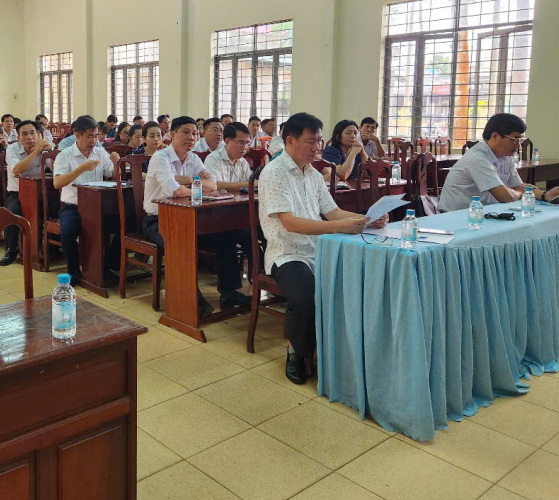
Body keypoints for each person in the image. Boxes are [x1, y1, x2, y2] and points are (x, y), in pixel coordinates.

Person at [260, 112, 387, 384]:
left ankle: (341, 351)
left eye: (319, 140)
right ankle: (296, 353)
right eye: (311, 141)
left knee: (357, 281)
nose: (317, 147)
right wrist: (340, 227)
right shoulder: (274, 173)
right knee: (305, 296)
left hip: (319, 249)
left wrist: (366, 219)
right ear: (290, 140)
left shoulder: (313, 174)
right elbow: (290, 223)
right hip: (287, 253)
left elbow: (332, 212)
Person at [142, 116, 250, 317]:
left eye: (194, 133)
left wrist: (190, 180)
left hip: (190, 219)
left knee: (226, 237)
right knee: (181, 244)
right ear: (172, 134)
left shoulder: (193, 159)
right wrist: (196, 184)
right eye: (186, 132)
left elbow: (213, 185)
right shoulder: (160, 158)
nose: (191, 137)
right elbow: (174, 191)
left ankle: (229, 293)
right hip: (158, 220)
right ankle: (191, 302)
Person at [440, 113, 559, 211]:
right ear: (495, 136)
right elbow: (505, 196)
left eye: (520, 140)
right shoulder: (477, 158)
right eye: (514, 139)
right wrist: (520, 192)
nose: (518, 145)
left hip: (484, 212)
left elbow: (518, 187)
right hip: (456, 217)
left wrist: (546, 195)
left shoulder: (506, 157)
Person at [53, 115, 122, 286]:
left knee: (125, 225)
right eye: (89, 136)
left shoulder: (100, 152)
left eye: (96, 136)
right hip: (73, 206)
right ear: (77, 135)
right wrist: (82, 168)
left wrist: (116, 163)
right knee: (67, 232)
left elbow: (113, 175)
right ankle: (73, 270)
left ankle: (106, 265)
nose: (94, 140)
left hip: (98, 206)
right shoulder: (65, 155)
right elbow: (57, 183)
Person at [1, 120, 53, 266]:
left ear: (38, 135)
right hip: (17, 192)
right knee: (12, 212)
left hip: (40, 192)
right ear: (18, 137)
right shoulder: (12, 149)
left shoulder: (45, 147)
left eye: (32, 133)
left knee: (55, 208)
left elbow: (56, 170)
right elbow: (17, 170)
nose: (29, 137)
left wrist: (50, 152)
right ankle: (11, 249)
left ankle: (51, 247)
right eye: (24, 134)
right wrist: (36, 151)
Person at [204, 121, 252, 191]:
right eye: (241, 143)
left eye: (247, 143)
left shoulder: (243, 162)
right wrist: (249, 184)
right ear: (227, 141)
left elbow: (250, 182)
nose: (245, 147)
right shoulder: (213, 159)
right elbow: (215, 185)